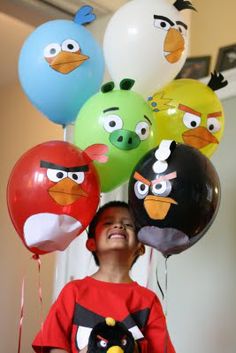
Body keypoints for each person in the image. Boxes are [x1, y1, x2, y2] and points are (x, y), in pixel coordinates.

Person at [32, 201, 176, 353]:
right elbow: (54, 346)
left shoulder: (148, 300)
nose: (119, 226)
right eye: (108, 222)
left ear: (140, 247)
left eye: (129, 225)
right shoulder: (73, 291)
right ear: (91, 244)